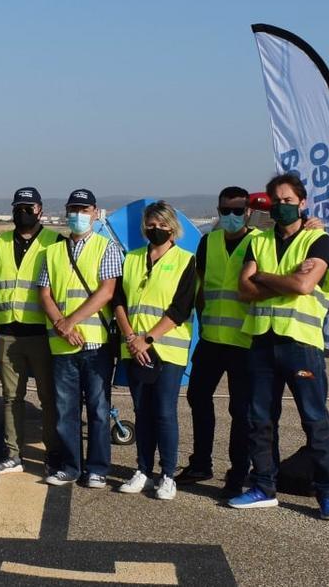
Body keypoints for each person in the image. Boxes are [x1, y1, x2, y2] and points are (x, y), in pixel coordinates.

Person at [230, 173, 329, 521]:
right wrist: (281, 281)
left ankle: (328, 493)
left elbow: (305, 285)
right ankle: (264, 486)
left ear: (303, 202)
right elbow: (244, 289)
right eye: (276, 201)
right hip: (262, 342)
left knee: (314, 421)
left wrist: (263, 276)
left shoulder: (316, 239)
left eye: (288, 200)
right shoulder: (258, 240)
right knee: (259, 419)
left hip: (300, 343)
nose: (282, 206)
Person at [175, 186, 263, 497]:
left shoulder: (259, 243)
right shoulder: (208, 242)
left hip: (244, 342)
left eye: (237, 210)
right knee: (197, 398)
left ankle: (238, 472)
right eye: (225, 210)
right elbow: (199, 290)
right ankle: (201, 463)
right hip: (211, 339)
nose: (231, 216)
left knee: (242, 411)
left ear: (249, 212)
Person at [112, 201, 197, 501]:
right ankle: (143, 469)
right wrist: (130, 337)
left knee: (164, 413)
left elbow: (181, 308)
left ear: (173, 228)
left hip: (166, 350)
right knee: (142, 412)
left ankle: (168, 475)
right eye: (151, 224)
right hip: (134, 348)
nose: (156, 229)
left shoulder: (187, 261)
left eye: (162, 225)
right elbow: (119, 300)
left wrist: (147, 339)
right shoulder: (132, 258)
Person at [38, 188, 123, 488]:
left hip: (95, 343)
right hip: (62, 343)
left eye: (84, 210)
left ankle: (97, 468)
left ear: (95, 213)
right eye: (73, 209)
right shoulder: (51, 251)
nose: (78, 215)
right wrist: (61, 324)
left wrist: (70, 321)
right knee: (66, 410)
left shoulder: (106, 247)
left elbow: (107, 291)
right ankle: (69, 466)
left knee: (99, 409)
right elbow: (44, 293)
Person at [0, 187, 63, 476]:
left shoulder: (56, 242)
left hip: (42, 334)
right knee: (11, 398)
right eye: (18, 206)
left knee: (48, 398)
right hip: (7, 333)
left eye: (29, 207)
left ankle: (53, 453)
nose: (23, 212)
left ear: (40, 209)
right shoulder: (0, 242)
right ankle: (13, 454)